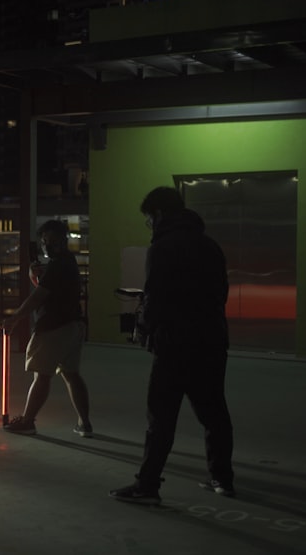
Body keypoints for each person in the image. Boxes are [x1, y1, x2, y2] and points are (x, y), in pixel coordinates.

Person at [110, 186, 234, 505]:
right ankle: (222, 477)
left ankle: (148, 484)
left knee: (161, 417)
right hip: (211, 340)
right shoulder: (210, 246)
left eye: (149, 218)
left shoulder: (163, 247)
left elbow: (155, 296)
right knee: (214, 411)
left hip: (175, 343)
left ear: (160, 214)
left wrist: (143, 329)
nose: (149, 225)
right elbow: (221, 292)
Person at [0, 219, 92, 437]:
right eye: (44, 241)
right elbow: (49, 290)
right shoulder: (68, 261)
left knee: (42, 375)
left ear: (63, 239)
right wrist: (36, 276)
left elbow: (37, 298)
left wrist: (14, 319)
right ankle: (84, 423)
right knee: (71, 375)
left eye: (51, 241)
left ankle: (28, 421)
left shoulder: (57, 265)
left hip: (53, 327)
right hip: (72, 325)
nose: (47, 245)